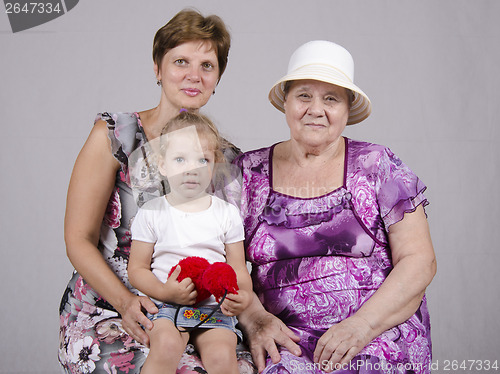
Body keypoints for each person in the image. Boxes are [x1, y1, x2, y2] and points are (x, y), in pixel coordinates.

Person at [58, 9, 255, 374]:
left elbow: (233, 255)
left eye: (207, 66)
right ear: (157, 68)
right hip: (112, 306)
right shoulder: (115, 135)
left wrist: (245, 308)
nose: (194, 75)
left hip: (203, 314)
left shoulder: (225, 159)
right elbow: (78, 238)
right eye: (181, 61)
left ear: (218, 77)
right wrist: (126, 301)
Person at [235, 40, 437, 374]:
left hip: (374, 332)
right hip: (282, 337)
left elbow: (420, 260)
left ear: (346, 109)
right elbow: (225, 261)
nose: (316, 109)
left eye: (331, 99)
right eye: (304, 96)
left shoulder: (376, 164)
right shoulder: (247, 172)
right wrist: (255, 319)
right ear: (286, 102)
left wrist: (361, 326)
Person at [127, 111, 253, 374]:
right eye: (180, 159)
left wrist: (242, 295)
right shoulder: (152, 212)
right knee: (166, 346)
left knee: (222, 357)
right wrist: (164, 293)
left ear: (215, 164)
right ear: (162, 164)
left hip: (214, 308)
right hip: (168, 306)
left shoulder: (226, 213)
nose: (191, 169)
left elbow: (238, 268)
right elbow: (137, 269)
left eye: (202, 159)